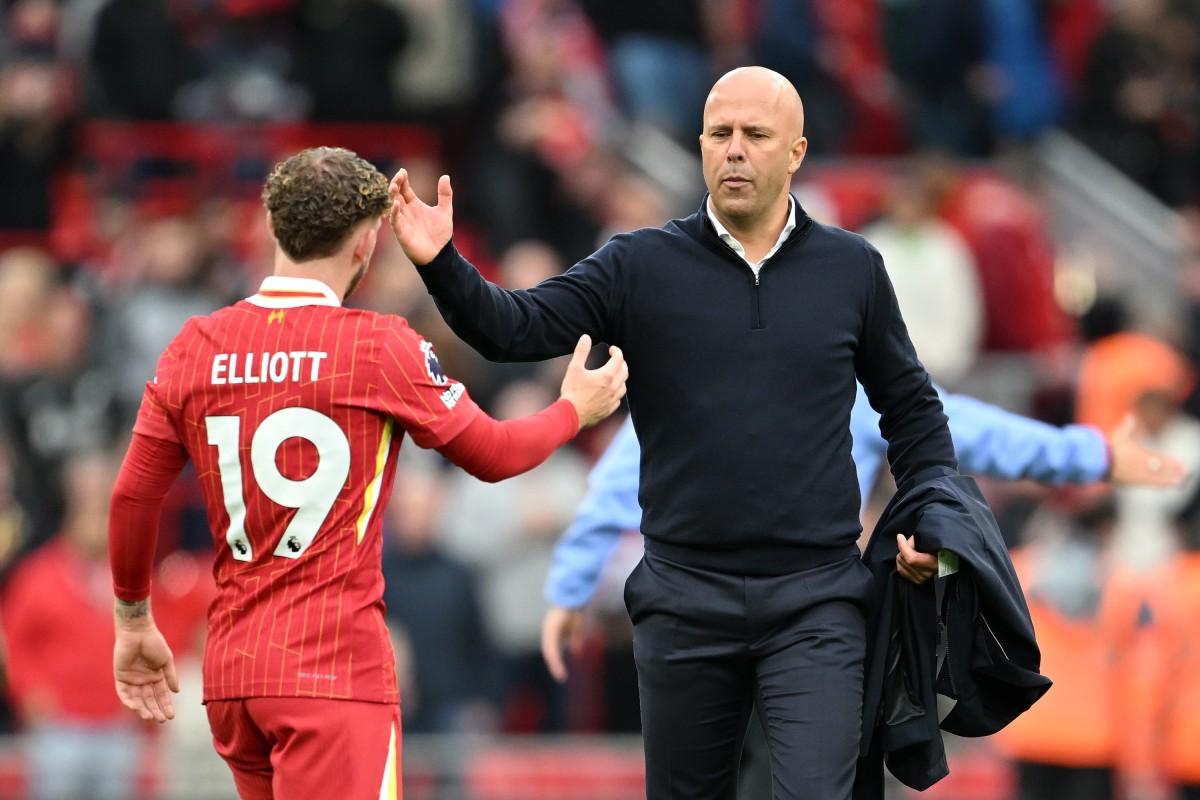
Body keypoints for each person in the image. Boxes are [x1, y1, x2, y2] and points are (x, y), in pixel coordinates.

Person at [391, 66, 976, 799]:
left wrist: (930, 517)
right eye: (719, 134)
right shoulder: (640, 263)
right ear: (699, 146)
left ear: (795, 151)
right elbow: (514, 328)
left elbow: (914, 409)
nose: (734, 150)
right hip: (683, 597)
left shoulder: (851, 268)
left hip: (818, 597)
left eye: (755, 135)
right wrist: (440, 262)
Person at [107, 146, 629, 800]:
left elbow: (132, 494)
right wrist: (572, 411)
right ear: (365, 244)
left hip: (235, 673)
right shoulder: (377, 346)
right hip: (331, 672)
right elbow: (494, 454)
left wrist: (132, 621)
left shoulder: (195, 346)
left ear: (274, 227)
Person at [540, 389, 1188, 672]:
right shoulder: (690, 386)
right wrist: (571, 588)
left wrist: (1091, 455)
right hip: (725, 632)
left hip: (815, 626)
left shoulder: (845, 388)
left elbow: (961, 428)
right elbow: (616, 492)